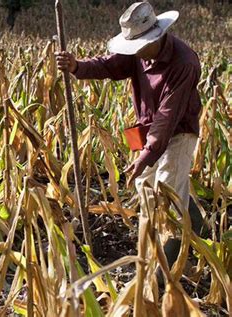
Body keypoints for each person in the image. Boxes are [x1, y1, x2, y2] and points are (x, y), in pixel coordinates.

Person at [55, 2, 207, 270]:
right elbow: (109, 66)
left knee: (167, 190)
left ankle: (164, 269)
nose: (134, 52)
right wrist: (77, 66)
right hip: (147, 130)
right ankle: (198, 226)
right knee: (145, 188)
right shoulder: (139, 52)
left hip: (179, 131)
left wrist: (145, 156)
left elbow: (167, 117)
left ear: (157, 36)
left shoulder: (185, 62)